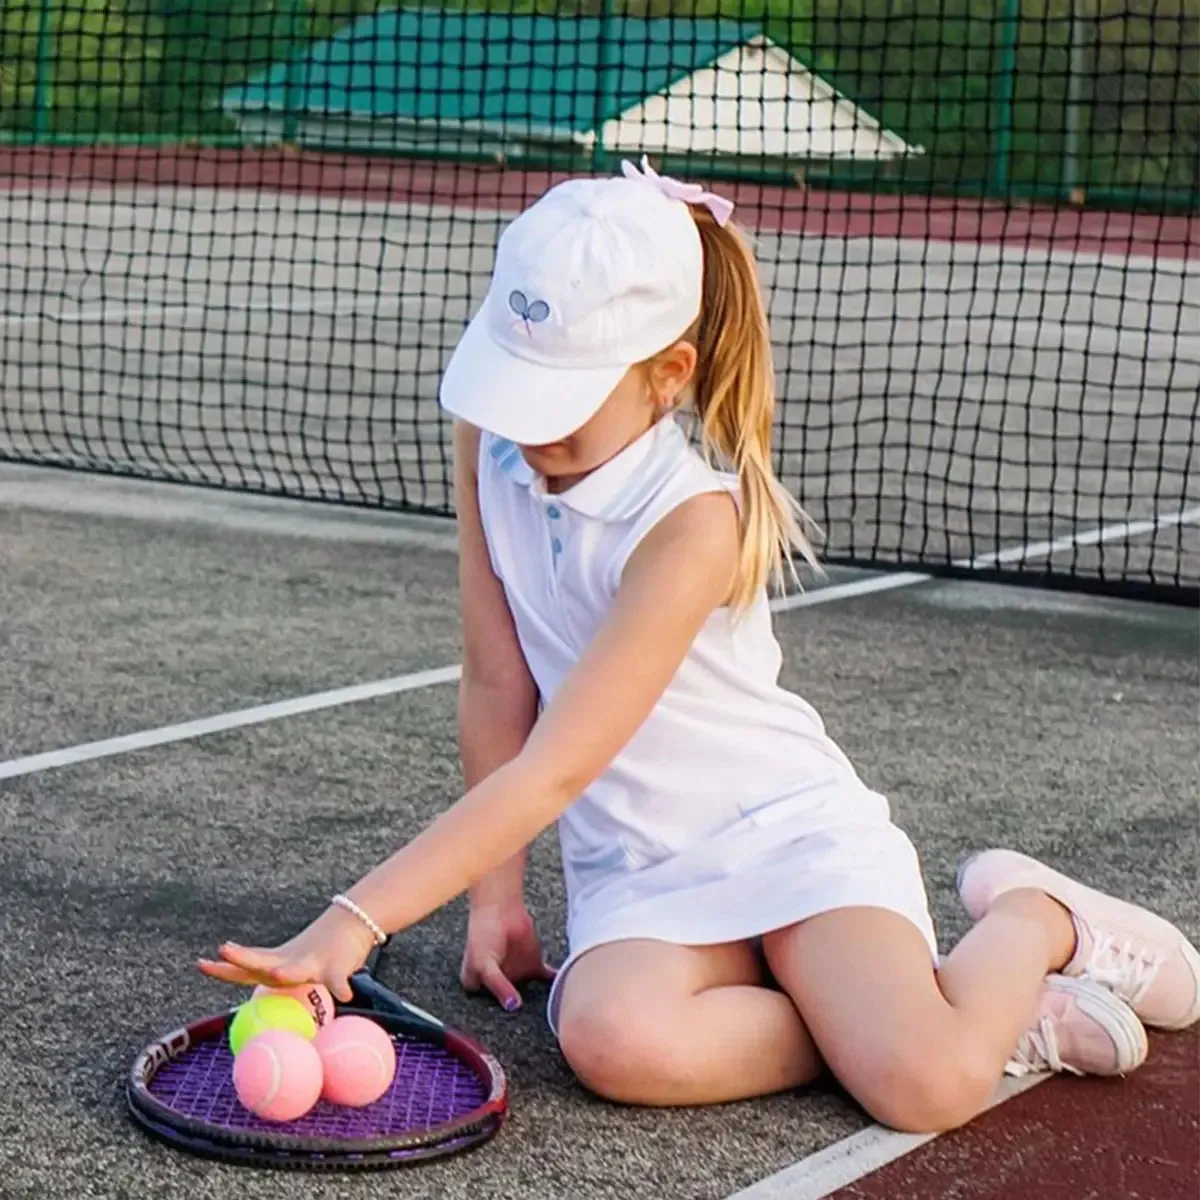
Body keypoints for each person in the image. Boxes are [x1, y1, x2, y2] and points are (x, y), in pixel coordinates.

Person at [200, 158, 1199, 1132]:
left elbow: (555, 768)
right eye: (518, 384)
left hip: (790, 836)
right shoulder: (486, 438)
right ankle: (902, 1015)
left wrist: (355, 920)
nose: (526, 423)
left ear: (668, 377)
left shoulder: (691, 523)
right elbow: (497, 673)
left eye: (564, 401)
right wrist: (494, 898)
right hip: (641, 873)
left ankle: (1030, 921)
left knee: (927, 1089)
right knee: (610, 1043)